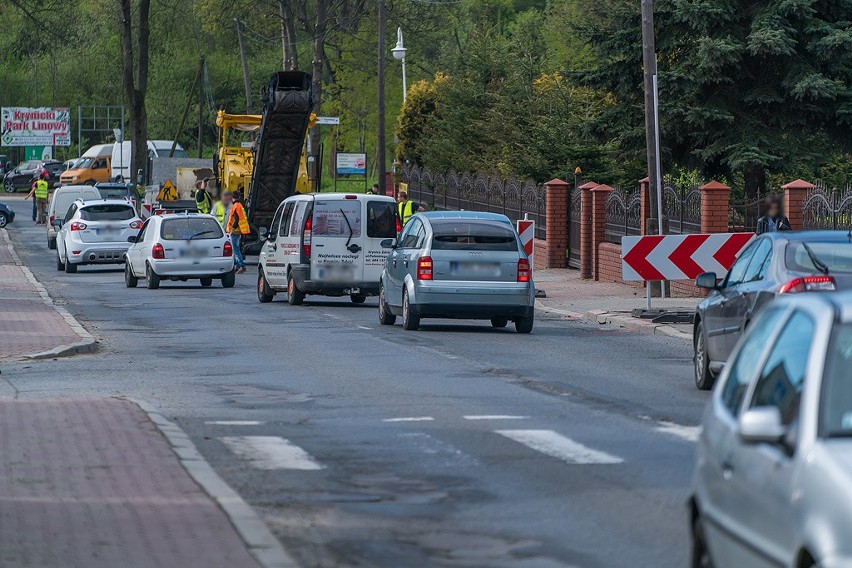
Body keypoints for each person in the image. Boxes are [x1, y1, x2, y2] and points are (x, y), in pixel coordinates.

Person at [225, 191, 249, 273]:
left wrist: (232, 229)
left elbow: (236, 219)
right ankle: (238, 266)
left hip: (235, 231)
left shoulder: (235, 206)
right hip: (239, 230)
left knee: (235, 249)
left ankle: (241, 265)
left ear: (232, 198)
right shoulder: (240, 205)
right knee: (236, 248)